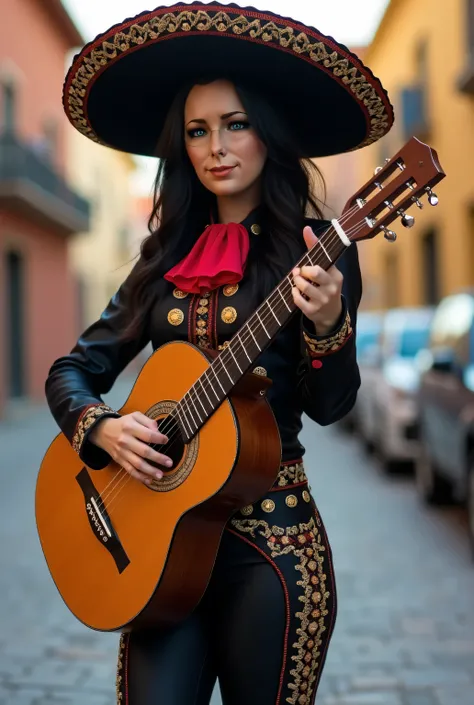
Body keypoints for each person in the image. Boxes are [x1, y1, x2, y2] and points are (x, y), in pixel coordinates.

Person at [47, 4, 393, 703]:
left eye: (235, 124)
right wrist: (104, 428)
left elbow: (332, 406)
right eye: (198, 130)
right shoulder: (163, 259)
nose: (217, 146)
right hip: (156, 546)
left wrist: (327, 321)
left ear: (267, 133)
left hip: (273, 549)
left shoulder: (316, 248)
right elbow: (73, 370)